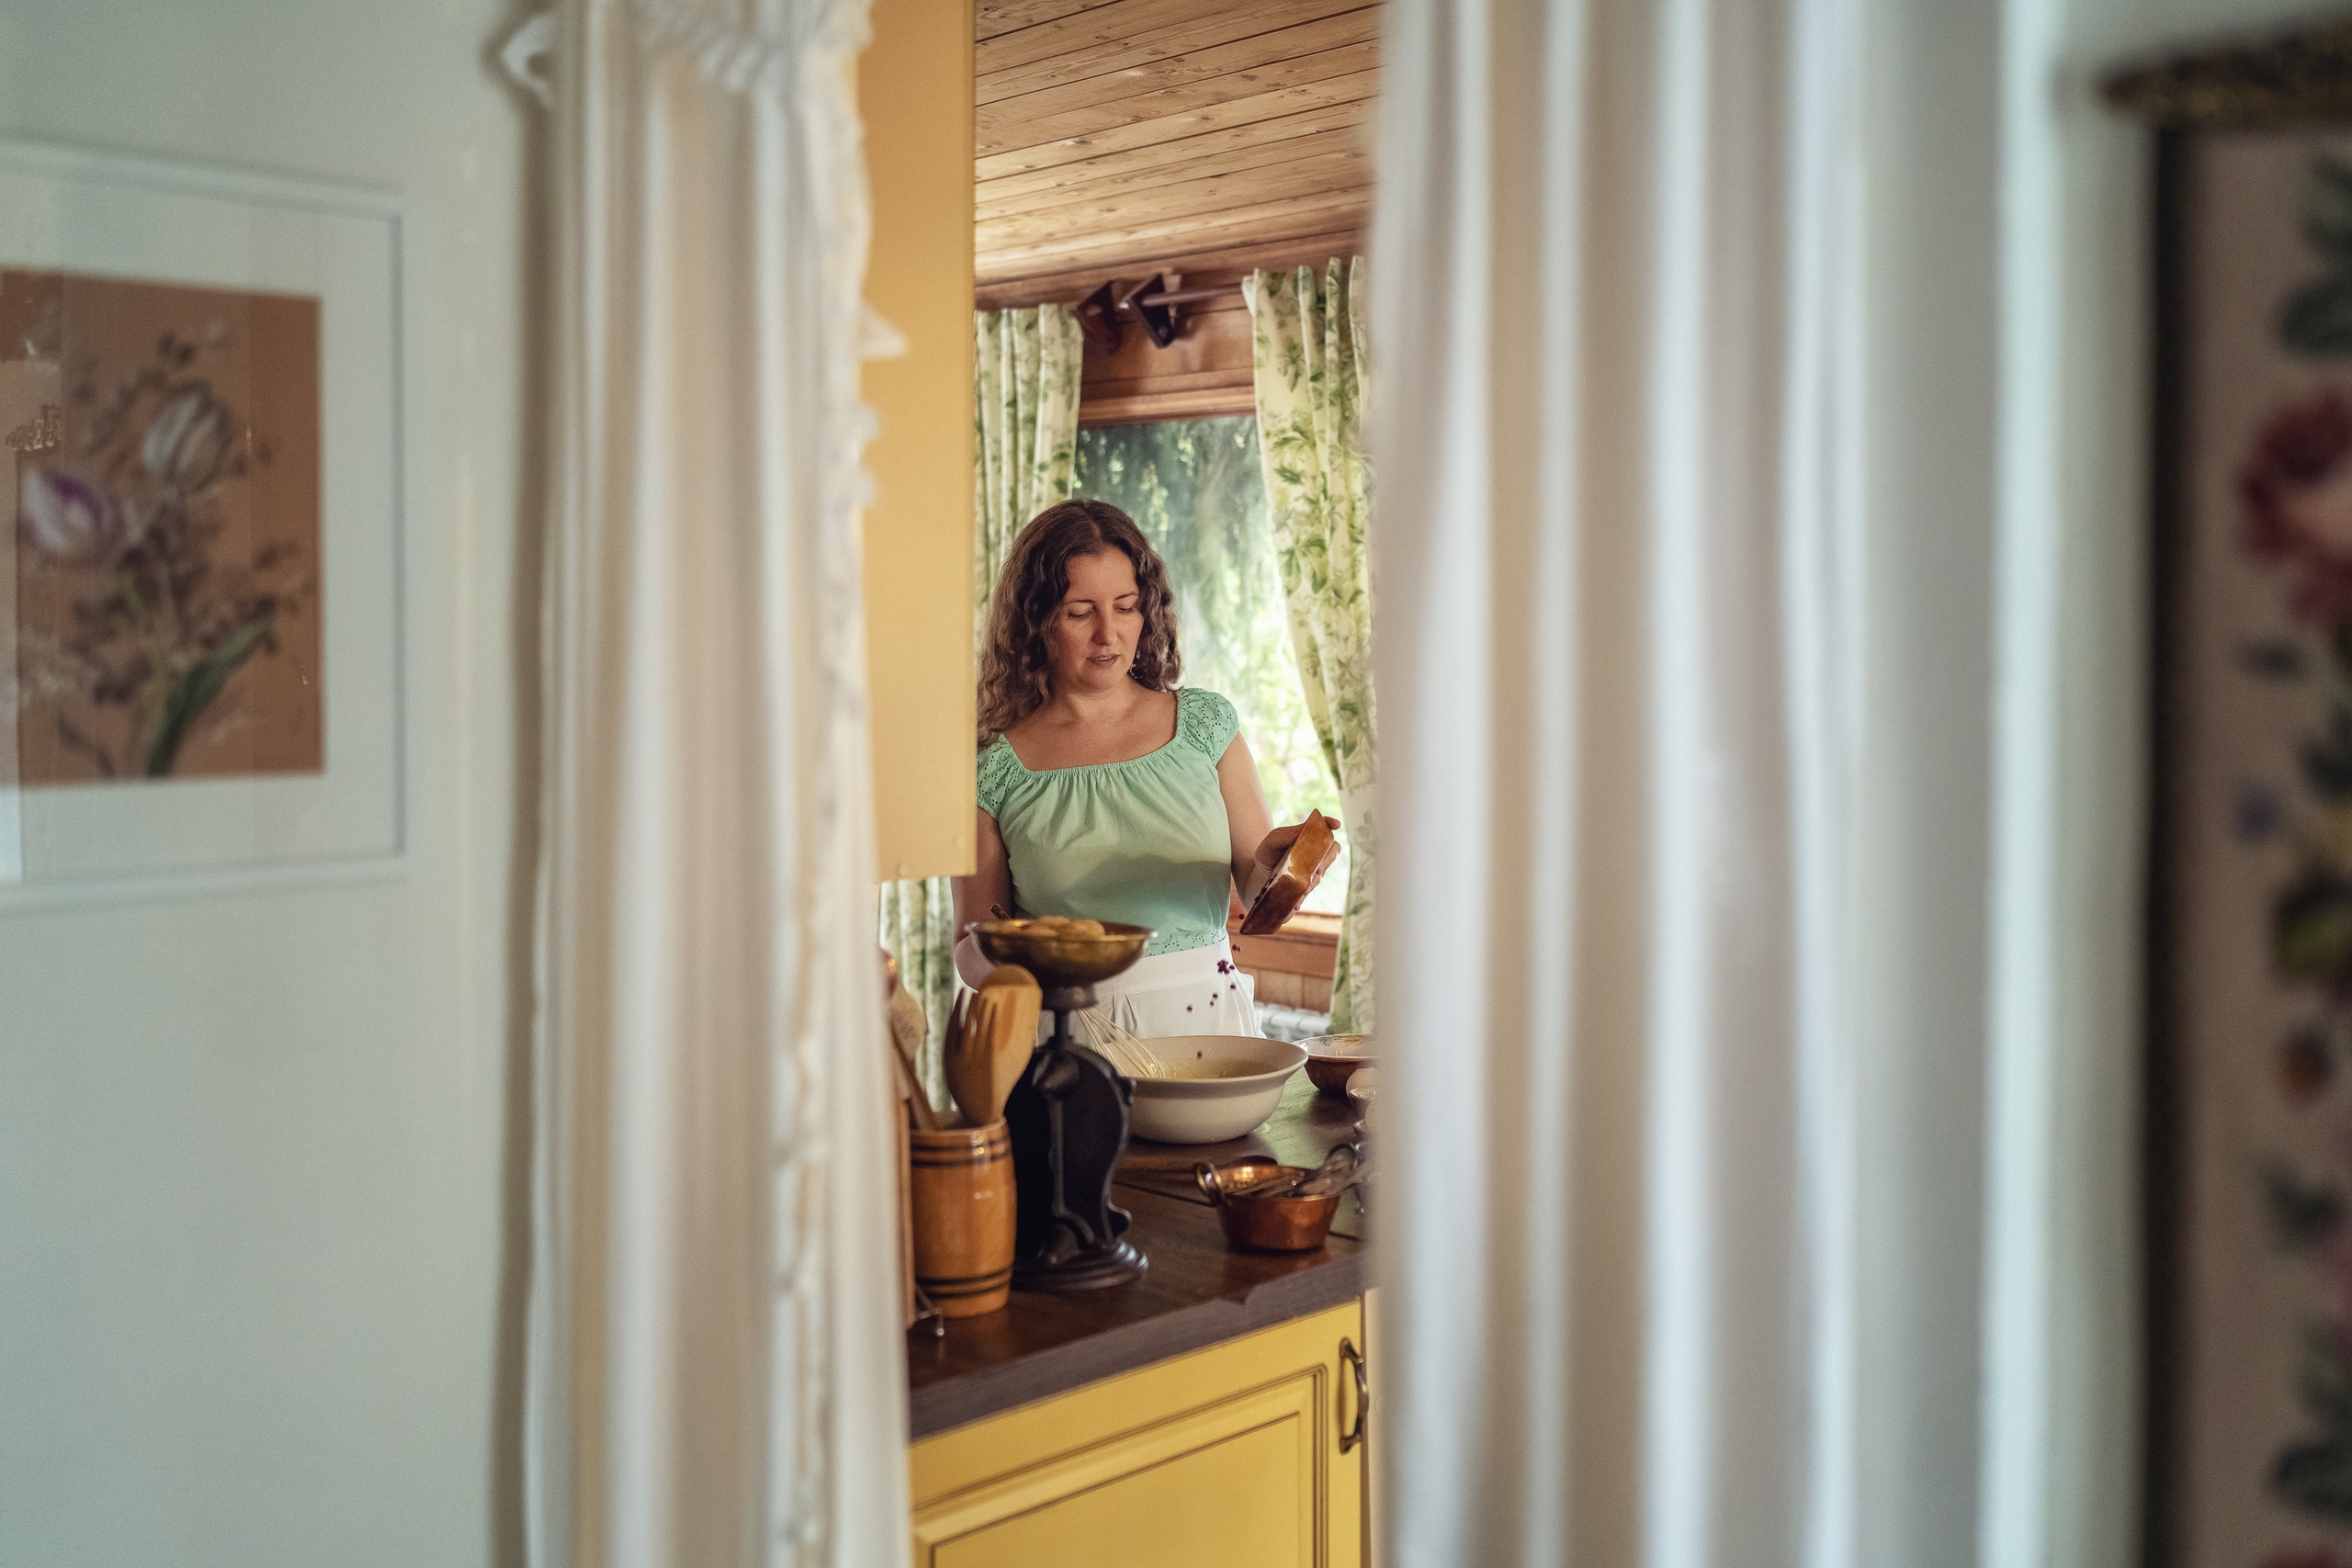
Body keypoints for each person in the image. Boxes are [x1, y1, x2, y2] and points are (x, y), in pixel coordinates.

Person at [952, 499, 1332, 1038]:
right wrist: (1036, 968)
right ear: (1034, 622)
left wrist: (1278, 866)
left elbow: (1255, 892)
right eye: (1079, 612)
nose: (1108, 634)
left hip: (1210, 1023)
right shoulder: (993, 768)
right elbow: (969, 947)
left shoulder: (1205, 725)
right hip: (1070, 1037)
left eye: (1125, 606)